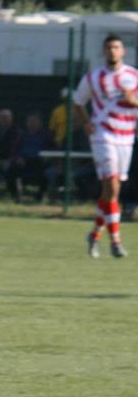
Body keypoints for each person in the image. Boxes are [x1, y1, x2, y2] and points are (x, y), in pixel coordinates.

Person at [73, 33, 138, 258]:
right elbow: (78, 102)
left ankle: (95, 234)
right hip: (103, 135)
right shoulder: (93, 77)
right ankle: (115, 242)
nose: (112, 51)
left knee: (111, 191)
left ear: (123, 51)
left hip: (126, 137)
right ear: (103, 51)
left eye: (116, 47)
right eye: (109, 47)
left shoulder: (133, 76)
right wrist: (86, 123)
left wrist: (133, 101)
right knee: (111, 186)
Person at [9, 111, 50, 202]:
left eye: (34, 121)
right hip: (23, 161)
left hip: (39, 161)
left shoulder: (46, 135)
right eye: (30, 121)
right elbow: (14, 150)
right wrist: (17, 158)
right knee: (12, 170)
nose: (32, 123)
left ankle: (40, 196)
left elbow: (51, 149)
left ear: (40, 123)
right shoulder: (21, 135)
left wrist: (47, 158)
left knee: (45, 172)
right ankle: (15, 196)